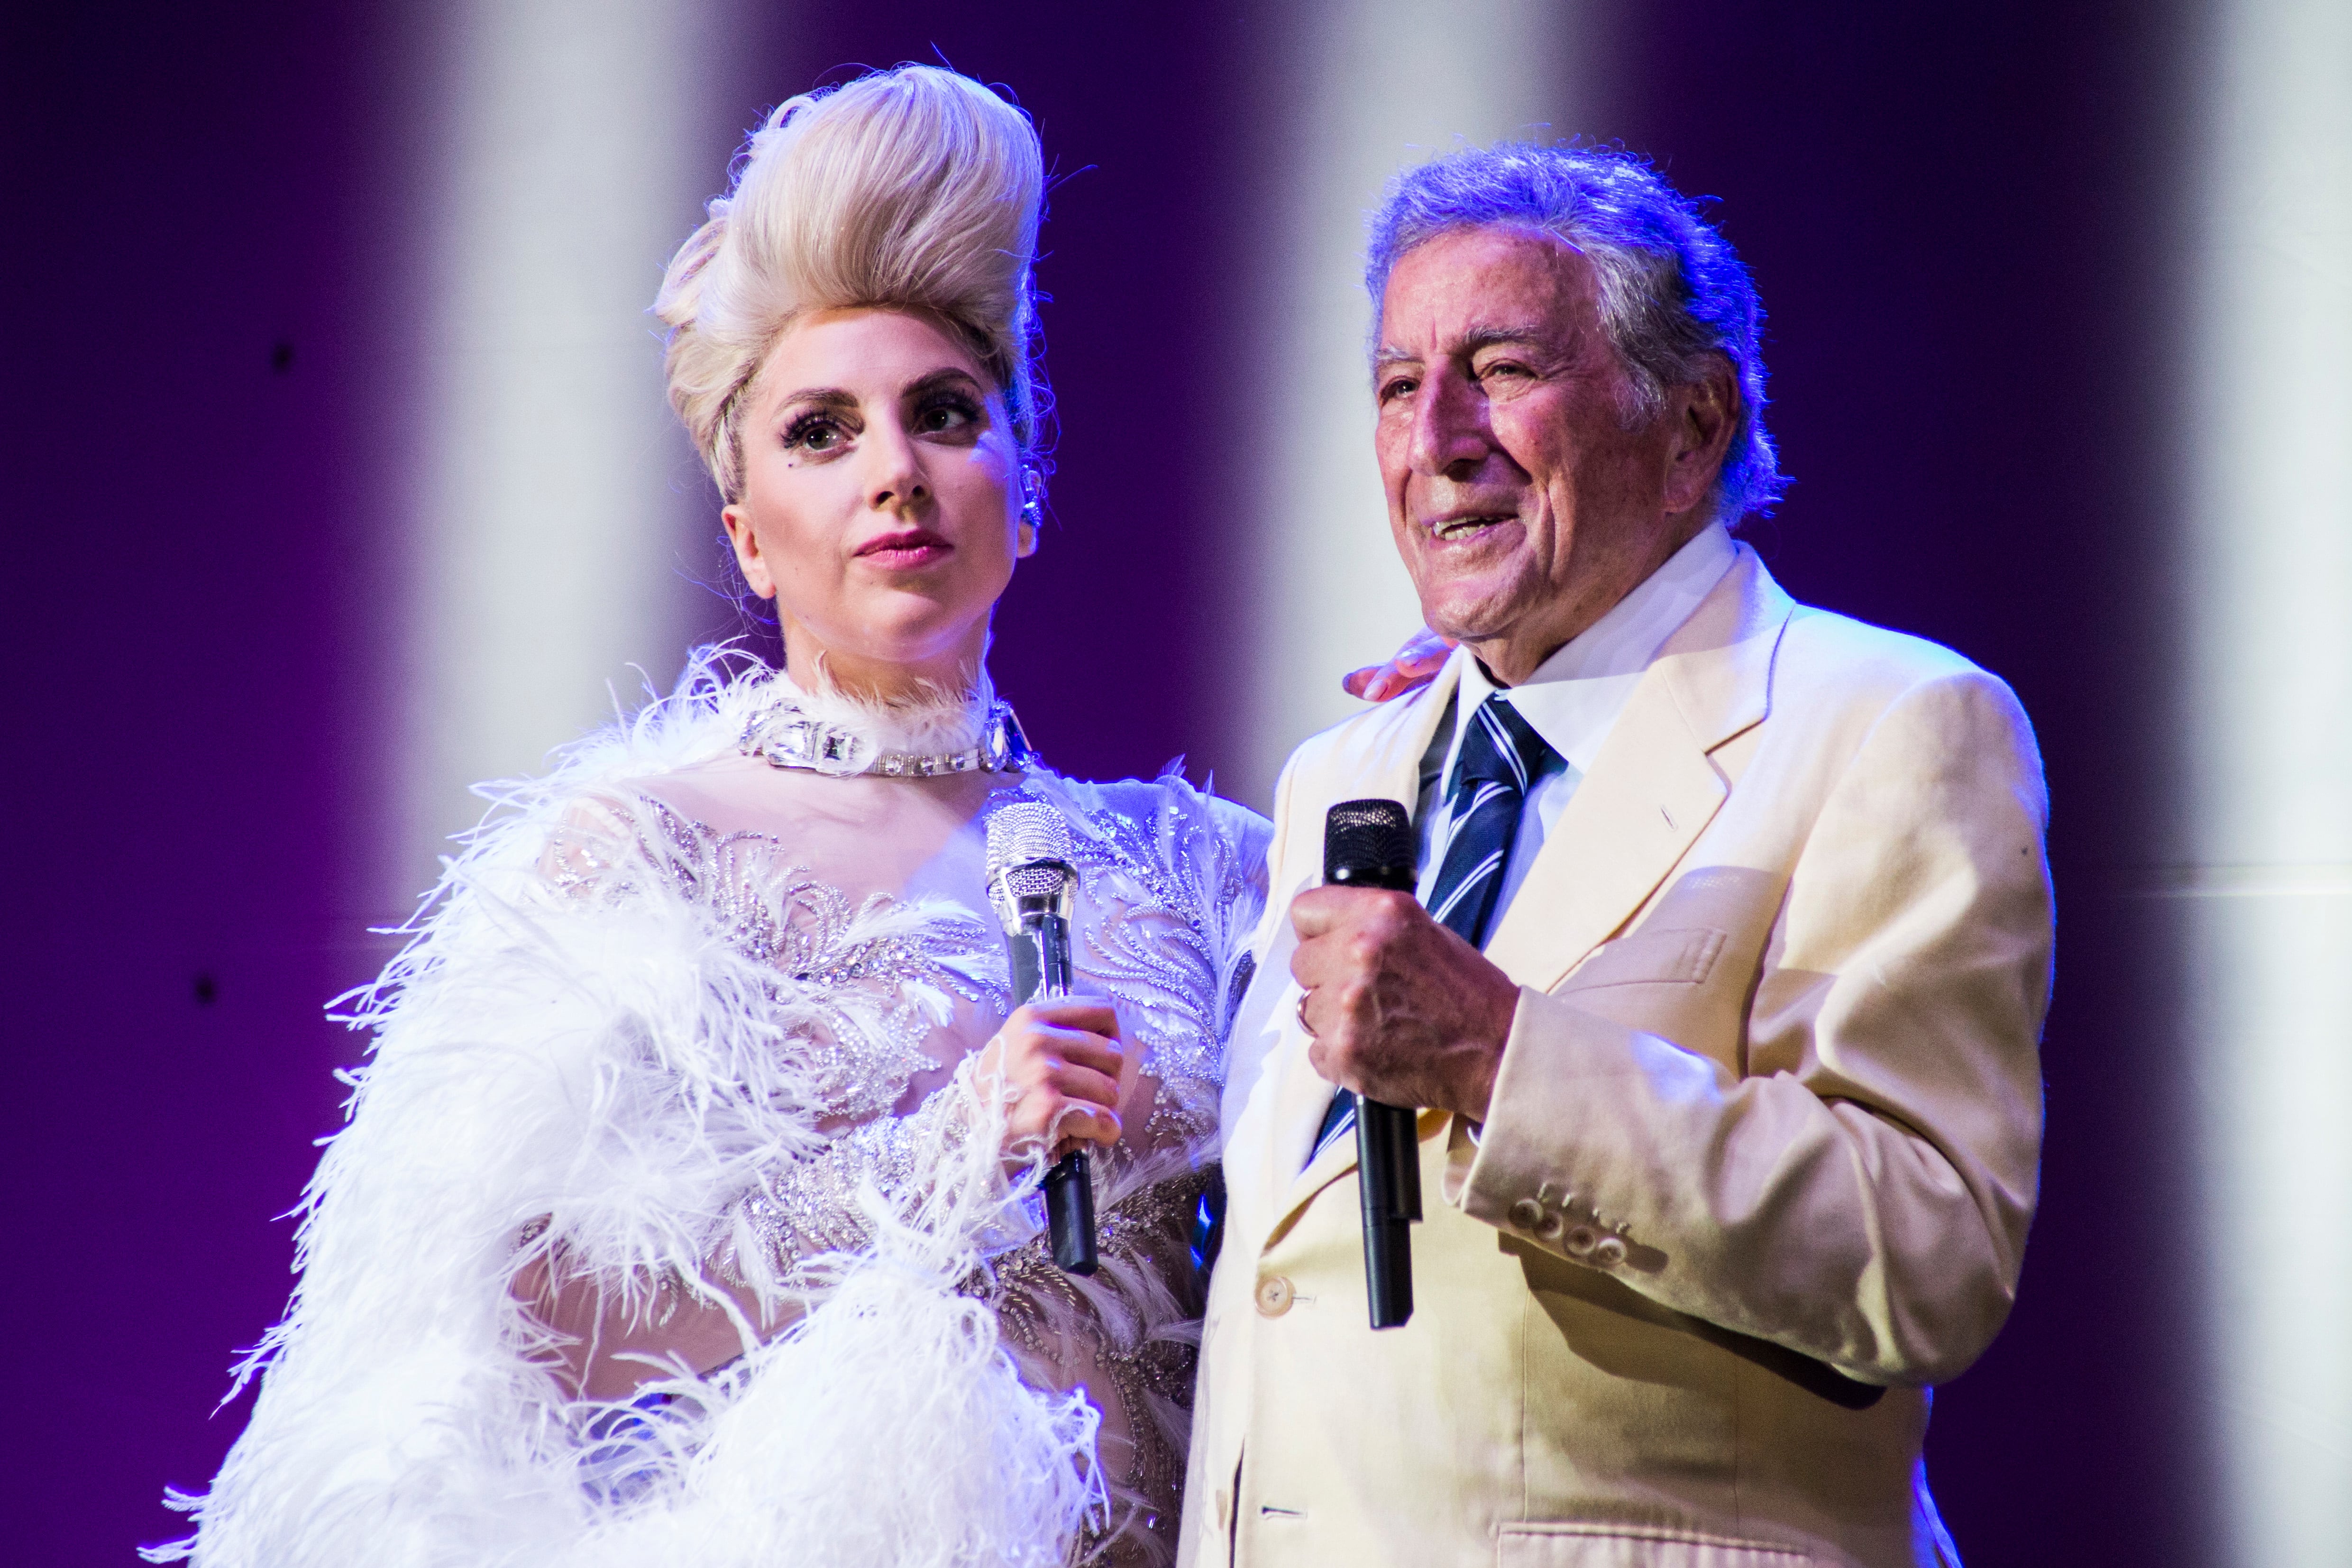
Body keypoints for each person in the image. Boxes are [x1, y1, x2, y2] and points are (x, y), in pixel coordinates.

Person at [150, 67, 1271, 1568]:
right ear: (746, 533)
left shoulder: (1202, 867)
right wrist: (948, 1152)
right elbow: (523, 1307)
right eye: (822, 431)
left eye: (944, 413)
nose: (894, 470)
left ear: (1028, 482)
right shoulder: (645, 849)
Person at [1182, 144, 2053, 1568]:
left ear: (1692, 420)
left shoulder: (1888, 723)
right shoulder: (1342, 776)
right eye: (1398, 386)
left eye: (1501, 368)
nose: (1436, 436)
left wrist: (1492, 1055)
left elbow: (1926, 1248)